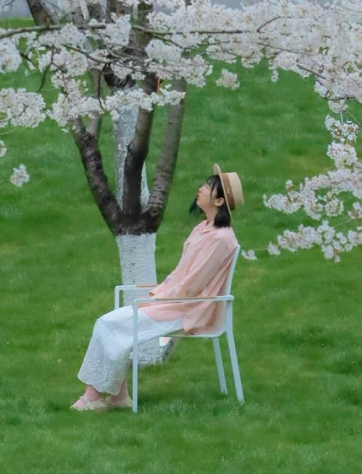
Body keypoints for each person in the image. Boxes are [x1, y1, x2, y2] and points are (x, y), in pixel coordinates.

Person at [72, 165, 243, 411]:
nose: (201, 189)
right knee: (109, 323)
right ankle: (117, 397)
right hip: (173, 301)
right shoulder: (202, 229)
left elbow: (194, 284)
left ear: (218, 199)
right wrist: (159, 293)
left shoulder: (221, 239)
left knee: (109, 324)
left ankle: (95, 397)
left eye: (207, 187)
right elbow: (181, 273)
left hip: (188, 309)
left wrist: (162, 298)